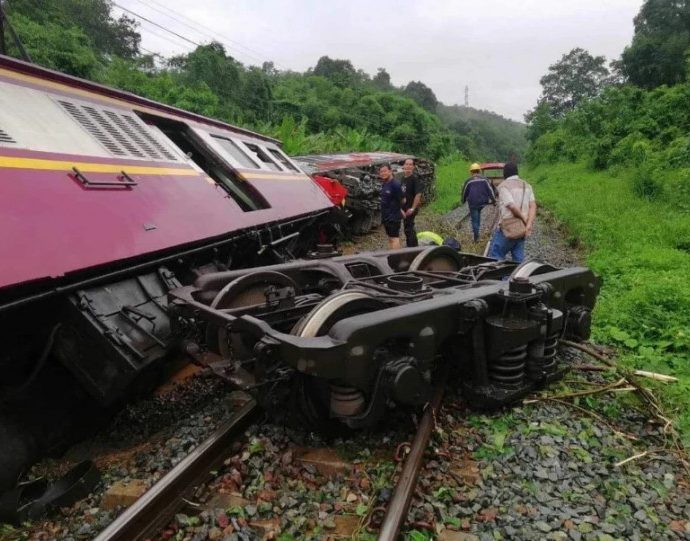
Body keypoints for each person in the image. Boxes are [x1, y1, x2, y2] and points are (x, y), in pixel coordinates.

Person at [488, 162, 536, 263]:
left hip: (508, 228)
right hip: (522, 228)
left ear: (505, 174)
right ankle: (517, 278)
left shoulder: (503, 186)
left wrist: (523, 217)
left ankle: (502, 279)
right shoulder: (527, 185)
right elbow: (533, 206)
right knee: (518, 259)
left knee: (496, 255)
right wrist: (529, 223)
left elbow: (511, 206)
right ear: (517, 172)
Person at [461, 163, 496, 242]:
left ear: (471, 172)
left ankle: (476, 237)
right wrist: (494, 201)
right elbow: (490, 190)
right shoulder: (485, 179)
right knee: (478, 215)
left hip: (473, 203)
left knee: (474, 219)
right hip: (482, 203)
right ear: (479, 171)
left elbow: (464, 192)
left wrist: (463, 201)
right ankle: (477, 233)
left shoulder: (468, 181)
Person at [379, 163, 405, 249]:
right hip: (386, 216)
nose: (383, 173)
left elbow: (402, 200)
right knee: (390, 238)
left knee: (394, 238)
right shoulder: (385, 183)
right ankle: (393, 257)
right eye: (381, 172)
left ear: (390, 171)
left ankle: (397, 258)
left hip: (393, 217)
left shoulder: (395, 185)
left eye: (385, 171)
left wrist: (399, 209)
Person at [401, 158, 422, 247]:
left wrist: (413, 208)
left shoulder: (414, 179)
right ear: (403, 166)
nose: (408, 166)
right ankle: (412, 246)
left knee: (409, 228)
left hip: (410, 208)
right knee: (407, 228)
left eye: (410, 165)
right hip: (405, 208)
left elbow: (418, 194)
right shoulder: (403, 178)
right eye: (407, 164)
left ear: (413, 167)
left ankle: (412, 248)